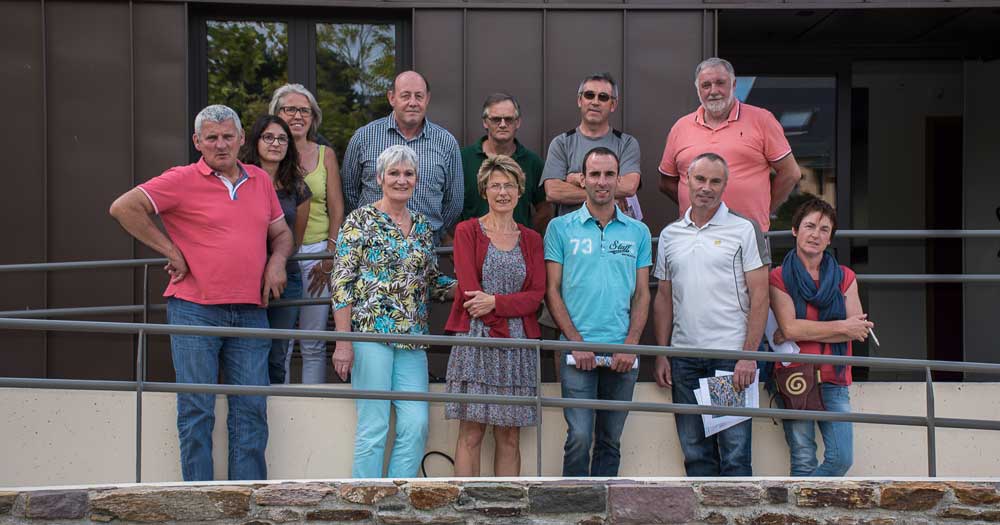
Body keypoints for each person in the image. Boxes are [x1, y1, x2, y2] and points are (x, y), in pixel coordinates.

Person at [109, 104, 292, 481]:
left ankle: (247, 499)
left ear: (242, 140)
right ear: (197, 142)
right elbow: (124, 208)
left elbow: (282, 234)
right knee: (197, 407)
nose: (221, 145)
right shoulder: (180, 179)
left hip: (251, 309)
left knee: (252, 408)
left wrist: (277, 262)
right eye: (212, 137)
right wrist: (171, 251)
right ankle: (199, 499)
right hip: (194, 309)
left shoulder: (259, 179)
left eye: (228, 137)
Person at [330, 144, 456, 478]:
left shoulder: (423, 227)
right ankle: (366, 500)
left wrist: (465, 288)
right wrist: (343, 342)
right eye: (394, 173)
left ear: (416, 179)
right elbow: (342, 282)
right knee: (374, 426)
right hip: (371, 336)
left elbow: (430, 278)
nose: (401, 180)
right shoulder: (360, 220)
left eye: (408, 174)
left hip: (412, 339)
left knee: (416, 425)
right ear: (380, 177)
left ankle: (397, 499)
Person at [652, 152, 769, 477]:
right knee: (695, 456)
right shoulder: (671, 235)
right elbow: (663, 297)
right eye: (700, 179)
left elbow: (761, 296)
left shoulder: (744, 229)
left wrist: (748, 356)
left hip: (729, 361)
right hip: (684, 359)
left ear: (725, 185)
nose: (706, 187)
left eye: (715, 181)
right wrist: (663, 354)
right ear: (687, 180)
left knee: (734, 455)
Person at [544, 146, 651, 477]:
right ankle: (572, 508)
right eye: (594, 174)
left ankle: (602, 509)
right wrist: (575, 342)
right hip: (577, 353)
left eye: (608, 175)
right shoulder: (560, 228)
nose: (602, 182)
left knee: (609, 440)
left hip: (622, 351)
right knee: (578, 436)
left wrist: (630, 344)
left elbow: (643, 294)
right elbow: (552, 291)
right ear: (583, 180)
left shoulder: (638, 232)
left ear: (618, 179)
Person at [444, 155, 546, 477]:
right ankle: (467, 510)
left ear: (519, 192)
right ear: (484, 190)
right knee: (471, 432)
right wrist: (496, 314)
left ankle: (506, 510)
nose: (502, 192)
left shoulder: (531, 239)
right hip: (476, 340)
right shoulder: (467, 231)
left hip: (517, 348)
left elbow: (535, 296)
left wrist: (496, 303)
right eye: (495, 185)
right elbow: (472, 296)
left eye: (509, 186)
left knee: (509, 435)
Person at [770, 198, 870, 476]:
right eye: (810, 226)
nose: (816, 234)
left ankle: (797, 510)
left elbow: (858, 329)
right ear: (795, 230)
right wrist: (841, 327)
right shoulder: (778, 278)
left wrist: (804, 327)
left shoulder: (845, 277)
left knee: (841, 459)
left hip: (834, 378)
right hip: (796, 376)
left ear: (830, 239)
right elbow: (790, 330)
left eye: (824, 229)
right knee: (802, 458)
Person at [658, 57, 801, 232]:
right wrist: (697, 204)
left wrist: (763, 210)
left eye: (720, 83)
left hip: (747, 235)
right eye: (706, 85)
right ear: (698, 90)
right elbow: (666, 182)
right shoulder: (681, 127)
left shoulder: (762, 120)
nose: (713, 91)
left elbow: (790, 173)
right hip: (695, 234)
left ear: (733, 85)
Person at [270, 84, 344, 384]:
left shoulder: (325, 155)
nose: (297, 116)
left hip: (317, 254)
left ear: (313, 117)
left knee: (313, 341)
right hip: (279, 256)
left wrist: (329, 257)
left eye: (304, 110)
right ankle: (282, 401)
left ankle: (314, 403)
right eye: (290, 109)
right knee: (282, 339)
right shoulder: (269, 154)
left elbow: (337, 209)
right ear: (276, 114)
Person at [341, 71, 463, 244]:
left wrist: (432, 230)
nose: (412, 102)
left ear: (427, 99)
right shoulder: (363, 138)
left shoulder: (446, 142)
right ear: (391, 98)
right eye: (405, 96)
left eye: (419, 96)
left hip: (424, 245)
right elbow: (349, 192)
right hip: (373, 243)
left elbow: (454, 202)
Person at [239, 115, 312, 385]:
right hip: (245, 278)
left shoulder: (298, 187)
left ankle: (277, 405)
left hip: (286, 278)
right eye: (268, 137)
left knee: (277, 353)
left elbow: (296, 237)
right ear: (255, 141)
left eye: (282, 139)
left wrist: (278, 262)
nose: (276, 144)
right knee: (247, 351)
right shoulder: (239, 181)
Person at [541, 72, 642, 219]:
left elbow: (628, 187)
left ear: (613, 104)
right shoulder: (561, 143)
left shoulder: (626, 144)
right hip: (572, 235)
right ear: (579, 100)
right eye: (589, 95)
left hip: (616, 234)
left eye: (603, 97)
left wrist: (575, 180)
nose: (595, 102)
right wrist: (609, 194)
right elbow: (553, 191)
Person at [460, 93, 550, 232]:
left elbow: (544, 209)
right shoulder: (462, 159)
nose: (502, 124)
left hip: (518, 248)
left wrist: (527, 236)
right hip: (473, 247)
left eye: (508, 119)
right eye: (496, 119)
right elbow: (449, 205)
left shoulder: (533, 162)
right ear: (485, 122)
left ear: (518, 122)